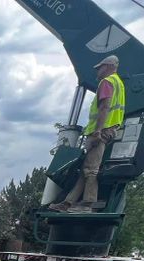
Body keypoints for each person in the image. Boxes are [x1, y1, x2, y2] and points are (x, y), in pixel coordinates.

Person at [50, 55, 126, 213]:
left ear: (107, 66)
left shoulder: (107, 82)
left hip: (100, 131)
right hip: (110, 129)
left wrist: (97, 131)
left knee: (91, 169)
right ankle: (68, 203)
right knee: (86, 168)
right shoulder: (119, 83)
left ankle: (87, 205)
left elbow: (104, 107)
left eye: (99, 68)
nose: (97, 72)